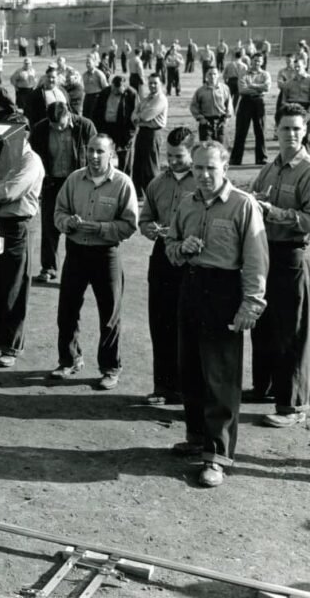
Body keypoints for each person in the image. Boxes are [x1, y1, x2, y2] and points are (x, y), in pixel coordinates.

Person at [164, 140, 268, 488]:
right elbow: (170, 246)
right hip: (191, 289)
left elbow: (256, 259)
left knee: (220, 378)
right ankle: (196, 438)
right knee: (190, 370)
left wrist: (251, 304)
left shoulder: (243, 204)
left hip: (225, 293)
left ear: (225, 168)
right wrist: (182, 248)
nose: (204, 175)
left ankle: (217, 457)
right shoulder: (186, 202)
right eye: (198, 168)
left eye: (211, 167)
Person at [247, 105, 310, 427]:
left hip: (292, 255)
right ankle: (265, 389)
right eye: (285, 129)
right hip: (267, 252)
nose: (291, 135)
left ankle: (293, 406)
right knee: (265, 325)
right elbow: (256, 197)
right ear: (276, 130)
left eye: (297, 129)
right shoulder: (272, 168)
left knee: (291, 331)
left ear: (306, 131)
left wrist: (275, 213)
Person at [51, 134, 138, 390]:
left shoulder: (122, 183)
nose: (94, 156)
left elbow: (129, 224)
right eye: (90, 150)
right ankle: (69, 360)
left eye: (100, 151)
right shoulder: (75, 179)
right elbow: (59, 211)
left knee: (109, 314)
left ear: (111, 155)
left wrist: (100, 228)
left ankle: (110, 368)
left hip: (106, 254)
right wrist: (68, 223)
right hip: (76, 251)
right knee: (67, 309)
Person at [138, 127, 196, 405]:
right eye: (169, 155)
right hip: (161, 258)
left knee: (188, 326)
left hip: (191, 262)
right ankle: (163, 386)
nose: (172, 161)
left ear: (192, 153)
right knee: (160, 323)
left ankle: (189, 389)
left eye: (179, 156)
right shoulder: (157, 183)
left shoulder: (203, 184)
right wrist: (149, 228)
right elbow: (145, 217)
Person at [0, 129, 44, 368]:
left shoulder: (30, 161)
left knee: (14, 287)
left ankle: (12, 345)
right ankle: (0, 338)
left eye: (10, 138)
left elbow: (10, 191)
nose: (5, 143)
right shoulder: (4, 157)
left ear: (23, 136)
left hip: (17, 226)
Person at [30, 102, 98, 283]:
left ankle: (81, 271)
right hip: (52, 184)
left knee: (80, 226)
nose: (58, 129)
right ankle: (48, 267)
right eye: (54, 126)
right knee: (49, 226)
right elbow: (33, 158)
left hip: (79, 183)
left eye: (61, 124)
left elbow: (96, 155)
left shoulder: (85, 126)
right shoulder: (40, 129)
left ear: (68, 115)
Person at [130, 73, 168, 195]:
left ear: (160, 84)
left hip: (153, 133)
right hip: (142, 133)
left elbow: (146, 116)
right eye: (150, 83)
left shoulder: (160, 99)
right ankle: (139, 194)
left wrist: (139, 117)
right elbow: (134, 113)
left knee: (150, 166)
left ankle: (155, 194)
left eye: (155, 83)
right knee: (138, 165)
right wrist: (138, 116)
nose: (152, 85)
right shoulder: (147, 98)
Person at [230, 54, 271, 165]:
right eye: (255, 61)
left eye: (259, 61)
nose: (256, 63)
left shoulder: (265, 74)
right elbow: (242, 89)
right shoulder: (244, 73)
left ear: (262, 62)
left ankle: (261, 158)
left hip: (259, 102)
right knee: (241, 131)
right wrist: (259, 88)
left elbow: (267, 87)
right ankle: (236, 159)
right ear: (251, 61)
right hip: (245, 102)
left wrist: (251, 85)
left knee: (260, 131)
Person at [90, 76, 138, 170]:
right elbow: (96, 111)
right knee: (104, 153)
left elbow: (136, 114)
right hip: (107, 128)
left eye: (118, 90)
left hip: (123, 129)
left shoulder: (131, 94)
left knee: (124, 157)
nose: (115, 91)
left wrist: (131, 133)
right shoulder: (105, 92)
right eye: (113, 89)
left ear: (124, 86)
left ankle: (124, 178)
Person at [190, 68, 233, 144]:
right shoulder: (200, 91)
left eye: (214, 74)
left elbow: (229, 105)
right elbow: (194, 106)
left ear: (218, 75)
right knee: (206, 148)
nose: (212, 76)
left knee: (221, 148)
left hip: (221, 121)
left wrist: (226, 119)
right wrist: (200, 118)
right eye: (210, 74)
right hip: (206, 123)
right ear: (206, 76)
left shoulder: (225, 89)